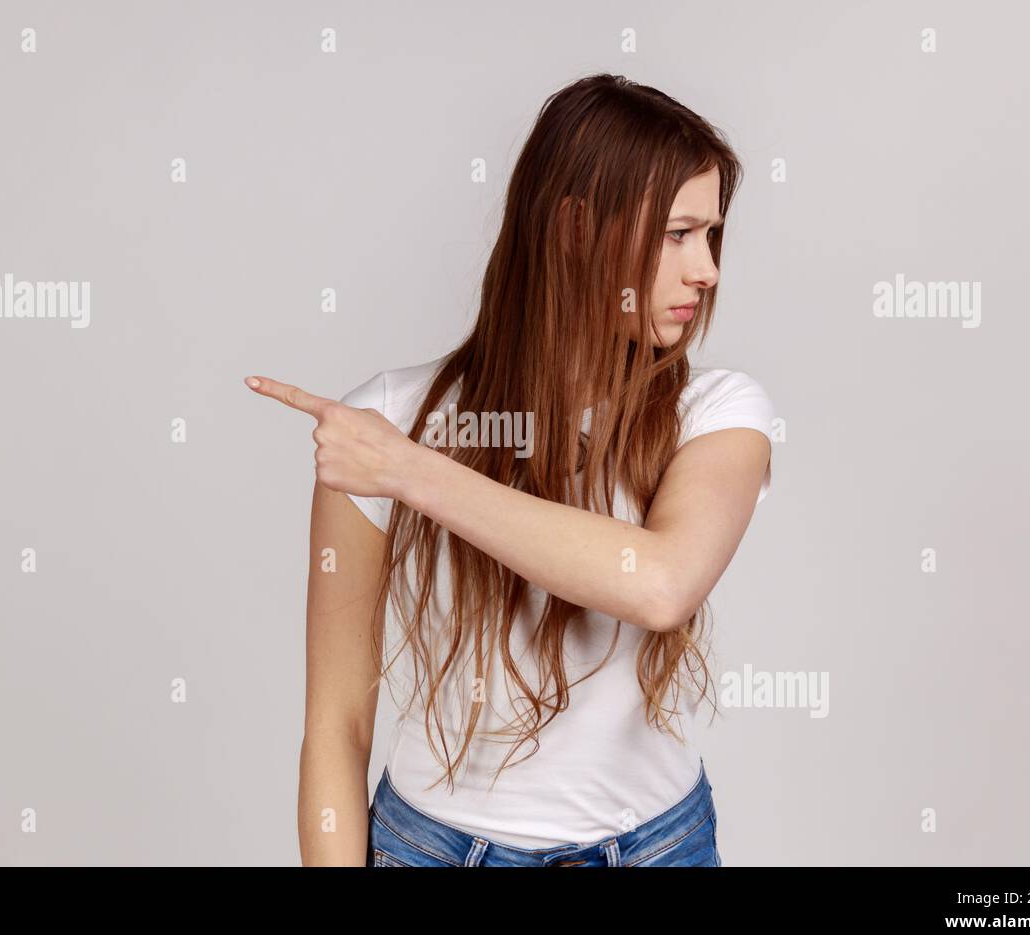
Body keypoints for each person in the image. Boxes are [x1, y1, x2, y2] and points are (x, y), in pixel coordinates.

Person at [246, 72, 776, 867]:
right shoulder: (386, 422)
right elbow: (336, 724)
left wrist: (412, 472)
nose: (707, 270)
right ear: (573, 229)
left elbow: (659, 584)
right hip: (429, 849)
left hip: (656, 848)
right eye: (677, 234)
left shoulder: (720, 413)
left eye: (711, 237)